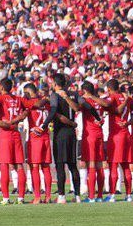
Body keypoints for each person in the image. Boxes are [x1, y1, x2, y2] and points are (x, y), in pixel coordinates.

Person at [43, 73, 83, 204]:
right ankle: (77, 196)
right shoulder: (74, 94)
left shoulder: (55, 95)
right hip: (72, 133)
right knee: (73, 166)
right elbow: (78, 108)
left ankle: (61, 196)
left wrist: (44, 125)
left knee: (60, 165)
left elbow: (55, 113)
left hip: (60, 133)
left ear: (55, 83)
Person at [102, 79, 133, 202]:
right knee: (126, 165)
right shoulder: (126, 98)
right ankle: (129, 195)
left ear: (109, 89)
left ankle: (112, 195)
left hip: (116, 135)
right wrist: (127, 123)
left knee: (113, 165)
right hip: (126, 134)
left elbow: (106, 105)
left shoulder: (114, 97)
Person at [22, 83, 52, 205]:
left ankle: (37, 197)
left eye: (25, 92)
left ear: (29, 92)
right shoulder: (47, 103)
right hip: (45, 137)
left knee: (34, 167)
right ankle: (48, 196)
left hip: (35, 138)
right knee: (45, 167)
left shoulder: (30, 102)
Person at [78, 81, 106, 202]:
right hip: (100, 133)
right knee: (100, 165)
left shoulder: (85, 101)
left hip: (90, 135)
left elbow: (76, 107)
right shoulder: (99, 100)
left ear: (84, 90)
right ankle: (99, 196)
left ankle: (91, 197)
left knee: (92, 165)